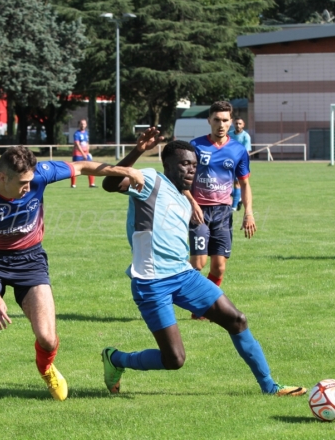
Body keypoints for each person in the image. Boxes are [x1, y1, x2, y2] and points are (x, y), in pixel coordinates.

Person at [0, 145, 145, 413]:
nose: (29, 187)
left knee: (48, 338)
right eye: (22, 183)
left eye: (31, 181)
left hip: (31, 261)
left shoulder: (40, 174)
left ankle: (45, 368)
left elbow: (82, 167)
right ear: (3, 178)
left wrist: (126, 170)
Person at [100, 131, 306, 398]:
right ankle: (116, 359)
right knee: (174, 359)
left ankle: (270, 386)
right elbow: (109, 184)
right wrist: (138, 151)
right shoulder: (151, 180)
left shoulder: (185, 198)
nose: (191, 169)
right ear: (168, 164)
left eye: (195, 165)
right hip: (152, 281)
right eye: (185, 163)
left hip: (184, 275)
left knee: (237, 319)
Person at [186, 101, 256, 301]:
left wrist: (248, 213)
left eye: (225, 120)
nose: (221, 124)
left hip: (223, 212)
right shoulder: (196, 146)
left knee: (219, 267)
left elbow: (244, 184)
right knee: (198, 263)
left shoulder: (238, 150)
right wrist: (191, 202)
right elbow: (184, 180)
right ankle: (182, 291)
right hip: (198, 211)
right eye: (217, 120)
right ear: (209, 120)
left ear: (231, 122)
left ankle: (204, 305)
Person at [228, 117, 251, 211]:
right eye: (236, 123)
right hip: (228, 162)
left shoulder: (246, 136)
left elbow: (246, 152)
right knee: (224, 184)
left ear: (243, 125)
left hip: (239, 163)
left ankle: (233, 206)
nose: (238, 125)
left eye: (240, 123)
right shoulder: (229, 134)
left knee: (237, 183)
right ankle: (239, 196)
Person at [70, 119, 96, 188]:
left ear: (86, 125)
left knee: (91, 168)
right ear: (79, 125)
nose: (82, 125)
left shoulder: (86, 133)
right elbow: (77, 144)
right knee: (75, 168)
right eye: (81, 124)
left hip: (86, 153)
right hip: (78, 154)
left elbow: (87, 143)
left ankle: (92, 184)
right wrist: (83, 154)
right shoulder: (76, 133)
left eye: (84, 124)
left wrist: (88, 152)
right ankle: (73, 184)